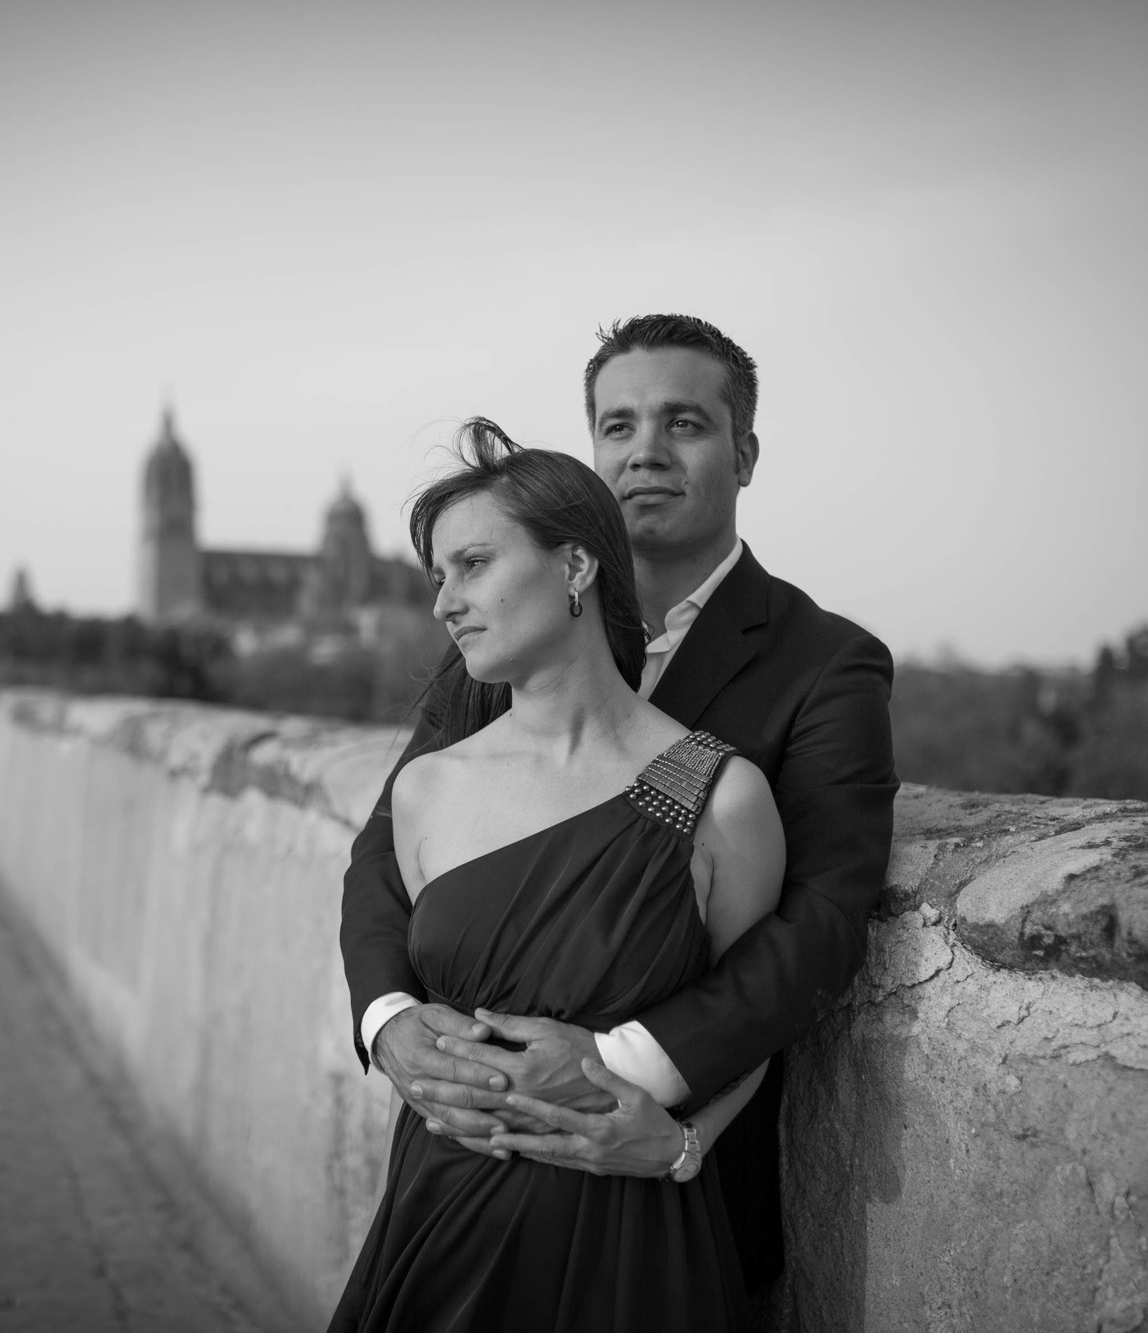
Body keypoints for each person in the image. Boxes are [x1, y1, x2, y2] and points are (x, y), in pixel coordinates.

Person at [339, 314, 898, 1302]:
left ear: (743, 452)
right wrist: (389, 1018)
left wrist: (624, 1069)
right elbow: (386, 854)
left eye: (681, 422)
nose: (643, 450)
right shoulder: (501, 637)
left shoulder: (822, 662)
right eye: (615, 425)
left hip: (659, 1180)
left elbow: (814, 925)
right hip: (454, 1176)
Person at [329, 419, 785, 1331]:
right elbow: (379, 922)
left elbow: (755, 1021)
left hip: (629, 1241)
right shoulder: (426, 787)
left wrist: (684, 1143)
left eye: (473, 565)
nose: (444, 603)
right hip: (437, 1220)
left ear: (576, 568)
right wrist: (390, 1022)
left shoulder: (721, 796)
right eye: (438, 578)